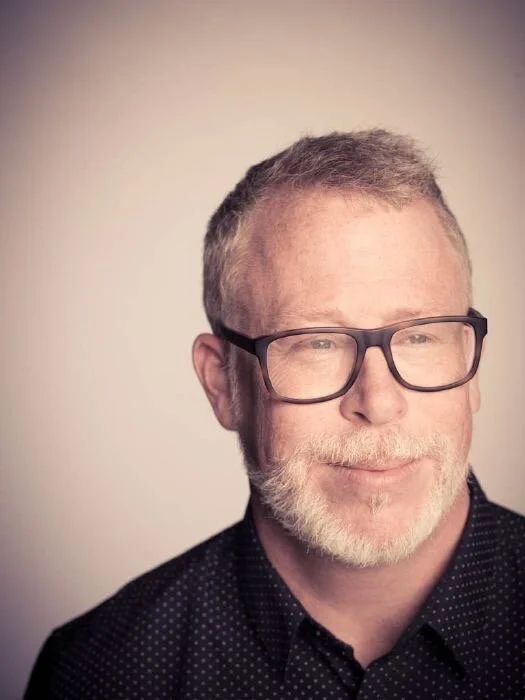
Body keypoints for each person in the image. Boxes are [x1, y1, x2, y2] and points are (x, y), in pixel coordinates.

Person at [25, 130, 525, 699]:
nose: (379, 402)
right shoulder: (98, 674)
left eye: (419, 337)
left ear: (471, 364)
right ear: (222, 383)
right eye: (316, 343)